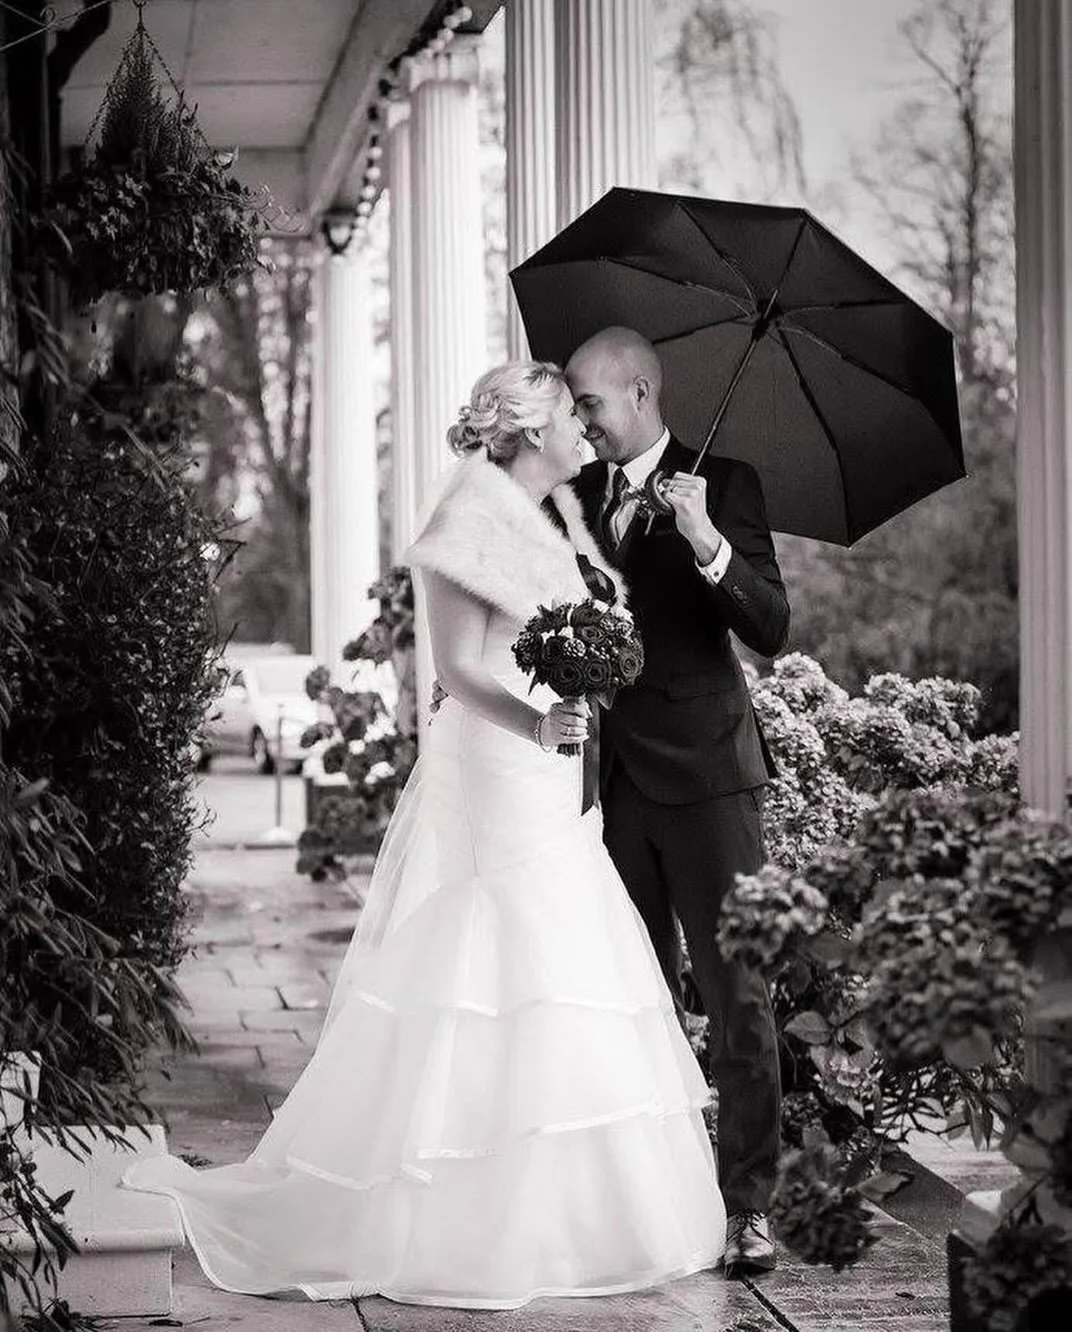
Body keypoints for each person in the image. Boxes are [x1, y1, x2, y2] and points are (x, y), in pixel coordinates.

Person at [122, 361, 726, 1307]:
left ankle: (571, 1208)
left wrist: (596, 660)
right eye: (572, 416)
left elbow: (566, 628)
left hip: (554, 766)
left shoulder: (557, 519)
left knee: (561, 961)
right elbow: (456, 665)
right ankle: (463, 1199)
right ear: (529, 429)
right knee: (496, 956)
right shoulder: (463, 524)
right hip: (499, 760)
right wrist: (534, 720)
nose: (583, 432)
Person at [565, 327, 790, 1276]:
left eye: (590, 405)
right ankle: (649, 1208)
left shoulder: (726, 485)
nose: (581, 425)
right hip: (610, 787)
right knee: (632, 1004)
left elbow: (771, 627)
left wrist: (706, 541)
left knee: (739, 1003)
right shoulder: (572, 499)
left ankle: (749, 1210)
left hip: (710, 783)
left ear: (641, 391)